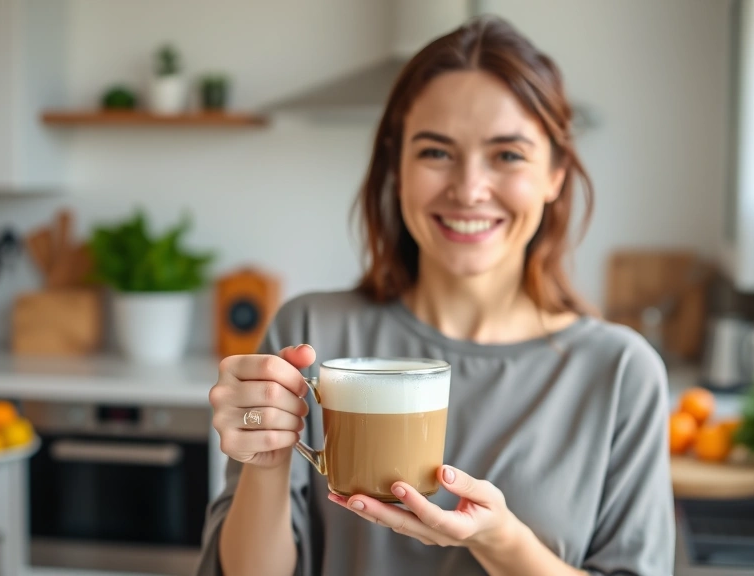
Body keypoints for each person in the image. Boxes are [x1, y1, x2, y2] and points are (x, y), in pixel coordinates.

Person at [197, 16, 674, 576]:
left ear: (556, 174)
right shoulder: (313, 334)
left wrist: (500, 542)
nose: (469, 189)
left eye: (508, 155)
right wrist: (268, 460)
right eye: (436, 153)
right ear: (397, 169)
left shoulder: (620, 372)